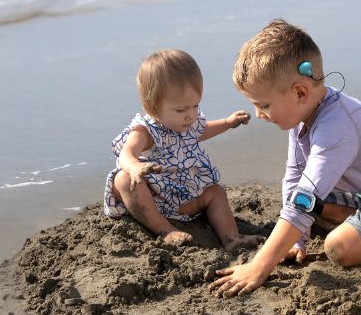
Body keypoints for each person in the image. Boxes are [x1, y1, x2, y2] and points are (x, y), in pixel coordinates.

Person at [208, 19, 361, 297]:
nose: (259, 114)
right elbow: (295, 177)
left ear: (300, 92)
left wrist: (260, 265)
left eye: (264, 105)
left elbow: (304, 202)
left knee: (338, 248)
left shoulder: (337, 129)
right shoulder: (304, 114)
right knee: (302, 208)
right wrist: (298, 240)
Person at [103, 49, 264, 250]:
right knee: (124, 180)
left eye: (195, 106)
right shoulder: (145, 131)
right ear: (153, 107)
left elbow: (202, 131)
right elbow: (127, 153)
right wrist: (134, 166)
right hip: (152, 199)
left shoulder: (189, 123)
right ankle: (165, 230)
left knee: (215, 192)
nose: (190, 115)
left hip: (183, 197)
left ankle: (231, 238)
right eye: (181, 110)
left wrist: (227, 122)